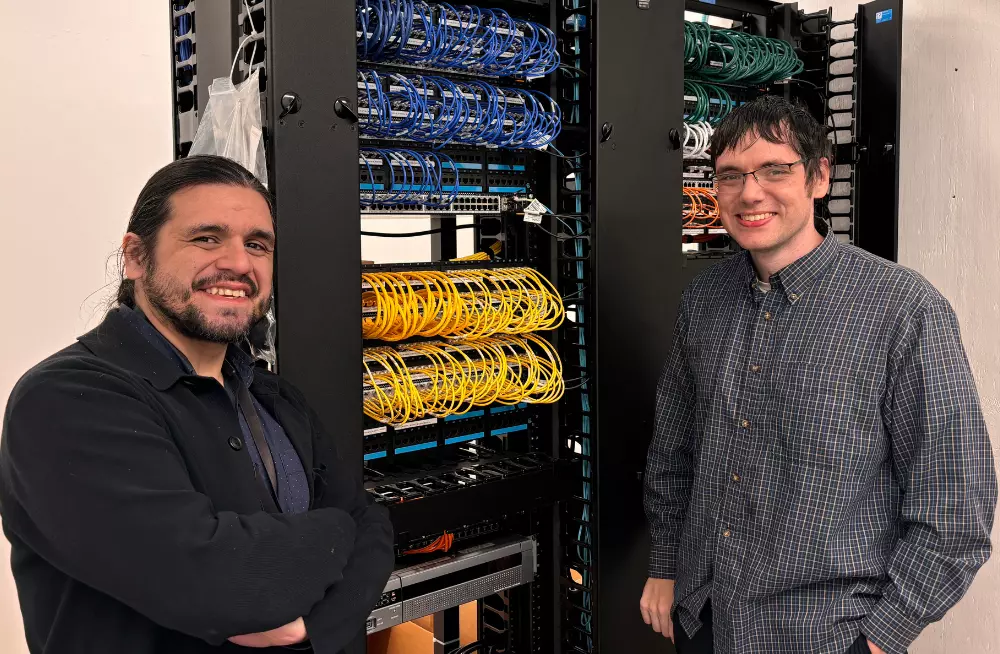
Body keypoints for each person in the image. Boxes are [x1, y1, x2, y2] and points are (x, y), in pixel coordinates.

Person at [639, 96, 996, 654]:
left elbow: (955, 504)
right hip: (705, 621)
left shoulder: (902, 310)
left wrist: (883, 637)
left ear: (820, 177)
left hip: (823, 635)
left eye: (775, 170)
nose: (750, 193)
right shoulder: (704, 301)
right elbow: (673, 450)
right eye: (730, 176)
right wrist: (665, 564)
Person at [0, 156, 394, 653]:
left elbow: (375, 527)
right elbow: (224, 586)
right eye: (207, 238)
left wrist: (311, 626)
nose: (238, 263)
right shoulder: (65, 400)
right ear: (136, 257)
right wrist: (339, 531)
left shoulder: (273, 398)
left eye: (257, 244)